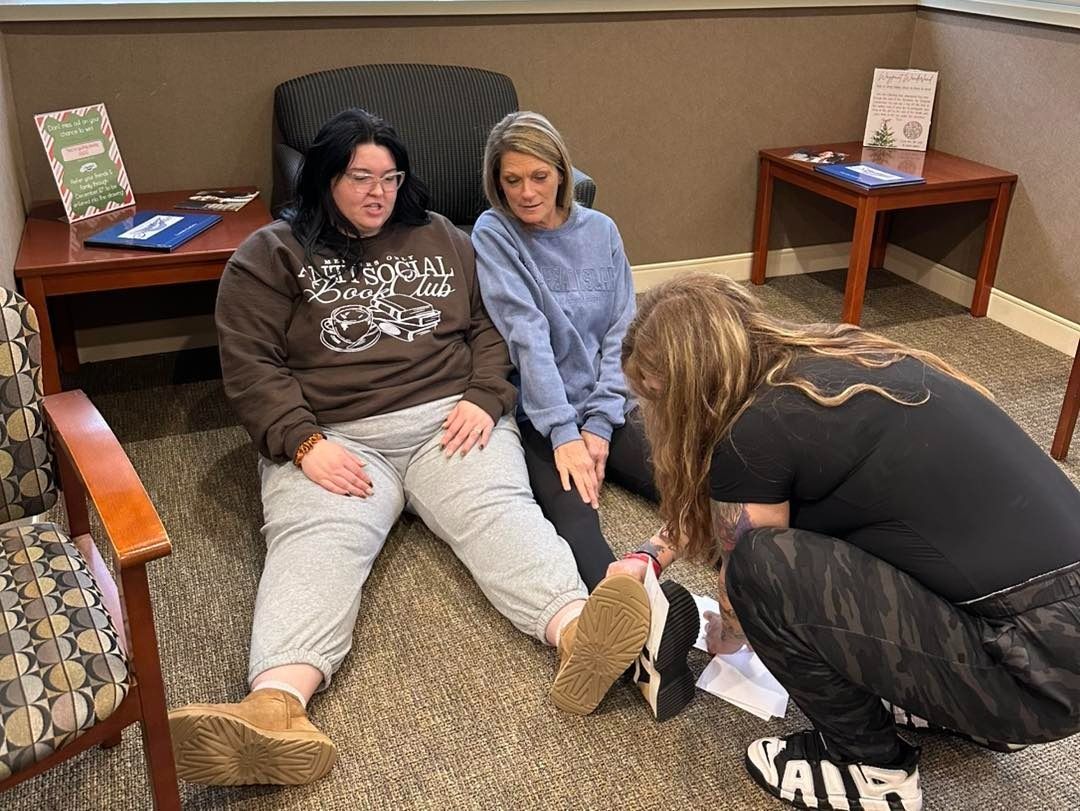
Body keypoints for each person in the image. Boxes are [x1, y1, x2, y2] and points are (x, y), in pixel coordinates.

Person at [166, 109, 656, 787]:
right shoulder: (268, 256)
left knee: (501, 515)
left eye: (390, 178)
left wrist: (484, 397)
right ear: (324, 179)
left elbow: (492, 328)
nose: (378, 193)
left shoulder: (442, 238)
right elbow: (251, 366)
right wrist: (304, 444)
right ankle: (274, 706)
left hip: (446, 419)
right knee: (317, 541)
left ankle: (579, 635)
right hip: (336, 435)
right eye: (360, 177)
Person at [618, 272, 1080, 811]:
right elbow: (726, 507)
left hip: (1035, 668)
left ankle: (869, 767)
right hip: (1053, 637)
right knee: (829, 536)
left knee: (758, 570)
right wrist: (648, 553)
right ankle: (953, 703)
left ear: (689, 387)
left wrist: (727, 633)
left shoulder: (752, 434)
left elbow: (742, 561)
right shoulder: (846, 360)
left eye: (655, 399)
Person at [471, 111, 699, 721]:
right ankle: (642, 638)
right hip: (542, 416)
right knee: (577, 519)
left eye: (539, 177)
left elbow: (621, 332)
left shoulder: (602, 231)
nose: (526, 193)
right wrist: (568, 436)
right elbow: (528, 338)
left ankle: (766, 577)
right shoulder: (494, 233)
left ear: (562, 174)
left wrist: (600, 423)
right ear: (497, 183)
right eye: (512, 180)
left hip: (610, 401)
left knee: (691, 478)